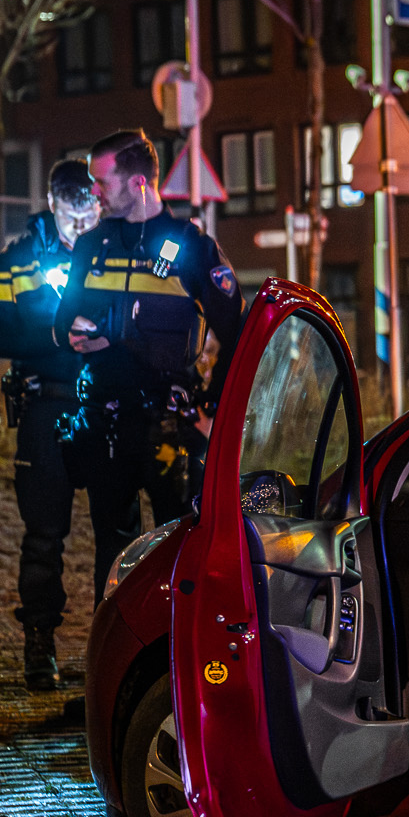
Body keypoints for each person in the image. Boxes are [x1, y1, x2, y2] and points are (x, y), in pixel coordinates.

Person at [54, 130, 241, 602]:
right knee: (111, 552)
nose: (93, 190)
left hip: (170, 426)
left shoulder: (192, 247)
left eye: (102, 180)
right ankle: (115, 662)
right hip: (105, 420)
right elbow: (60, 322)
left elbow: (236, 332)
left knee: (177, 554)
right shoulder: (91, 245)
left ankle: (175, 664)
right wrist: (72, 333)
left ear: (138, 182)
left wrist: (214, 408)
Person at [0, 159, 105, 690]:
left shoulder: (113, 250)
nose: (81, 228)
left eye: (89, 215)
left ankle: (111, 651)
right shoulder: (20, 257)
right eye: (72, 217)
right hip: (46, 407)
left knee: (116, 535)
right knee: (44, 534)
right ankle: (39, 643)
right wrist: (52, 339)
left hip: (104, 408)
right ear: (53, 205)